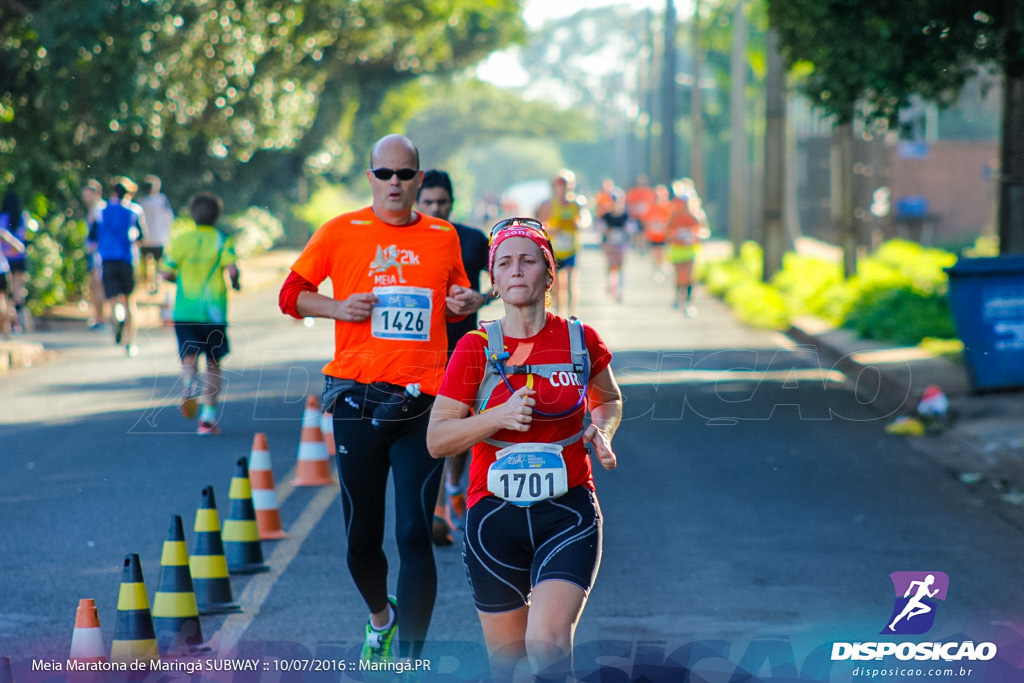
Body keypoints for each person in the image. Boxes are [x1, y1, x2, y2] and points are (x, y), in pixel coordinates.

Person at [277, 134, 480, 665]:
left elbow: (455, 304)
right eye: (384, 174)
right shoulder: (340, 232)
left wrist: (465, 301)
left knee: (415, 532)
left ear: (419, 179)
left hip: (425, 403)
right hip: (357, 400)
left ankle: (410, 661)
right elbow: (289, 294)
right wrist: (338, 307)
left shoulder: (443, 236)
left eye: (405, 174)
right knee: (361, 540)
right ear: (369, 177)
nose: (395, 183)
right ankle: (381, 618)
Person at [427, 217, 622, 682]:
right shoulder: (476, 347)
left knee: (548, 645)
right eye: (505, 263)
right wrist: (498, 416)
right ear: (492, 280)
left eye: (528, 261)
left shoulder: (580, 340)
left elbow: (608, 399)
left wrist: (602, 430)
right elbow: (437, 440)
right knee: (508, 664)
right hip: (494, 516)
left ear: (549, 273)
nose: (516, 271)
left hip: (567, 512)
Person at [415, 169, 491, 547]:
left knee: (459, 429)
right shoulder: (408, 242)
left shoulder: (474, 239)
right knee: (427, 430)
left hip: (465, 348)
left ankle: (456, 490)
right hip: (418, 352)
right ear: (417, 202)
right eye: (428, 202)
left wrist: (482, 298)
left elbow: (503, 278)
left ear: (452, 202)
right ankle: (434, 507)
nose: (435, 208)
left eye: (441, 202)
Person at [160, 192, 240, 435]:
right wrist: (236, 284)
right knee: (214, 364)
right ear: (217, 215)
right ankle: (207, 417)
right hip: (213, 312)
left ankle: (188, 385)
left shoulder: (181, 239)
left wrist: (177, 277)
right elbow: (233, 271)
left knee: (188, 355)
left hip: (185, 310)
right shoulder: (222, 239)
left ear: (192, 214)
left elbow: (165, 273)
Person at [94, 179, 147, 356]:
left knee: (113, 299)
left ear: (113, 193)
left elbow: (93, 237)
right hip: (127, 259)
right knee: (130, 300)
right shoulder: (134, 211)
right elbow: (142, 236)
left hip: (107, 259)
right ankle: (130, 343)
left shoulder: (101, 211)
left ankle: (118, 316)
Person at [536, 170, 590, 315]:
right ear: (554, 186)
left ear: (571, 186)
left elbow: (585, 220)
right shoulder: (548, 205)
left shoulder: (576, 203)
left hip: (572, 248)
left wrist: (579, 225)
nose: (562, 187)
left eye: (566, 184)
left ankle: (572, 315)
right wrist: (553, 230)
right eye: (559, 184)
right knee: (557, 285)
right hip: (555, 250)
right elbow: (540, 226)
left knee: (572, 282)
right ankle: (560, 314)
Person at [667, 178, 708, 316]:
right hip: (677, 249)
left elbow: (704, 231)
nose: (682, 205)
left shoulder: (695, 216)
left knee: (689, 275)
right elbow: (668, 231)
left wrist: (696, 236)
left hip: (690, 249)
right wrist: (675, 237)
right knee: (679, 276)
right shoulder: (674, 215)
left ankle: (689, 302)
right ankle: (678, 297)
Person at [138, 175, 175, 295]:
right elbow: (169, 218)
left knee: (146, 262)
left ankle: (149, 283)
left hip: (145, 238)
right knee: (159, 263)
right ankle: (157, 283)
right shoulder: (162, 200)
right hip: (159, 237)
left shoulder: (141, 201)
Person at [0, 192, 30, 333]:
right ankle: (19, 322)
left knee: (7, 295)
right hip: (20, 258)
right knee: (18, 293)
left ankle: (12, 322)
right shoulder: (23, 218)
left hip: (6, 260)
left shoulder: (2, 218)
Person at [598, 190, 633, 302]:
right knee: (610, 266)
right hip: (610, 245)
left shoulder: (626, 216)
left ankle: (619, 291)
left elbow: (631, 229)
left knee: (620, 267)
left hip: (621, 245)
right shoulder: (607, 216)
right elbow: (600, 229)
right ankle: (610, 284)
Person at [82, 179, 107, 329]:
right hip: (94, 253)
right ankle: (98, 318)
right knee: (94, 286)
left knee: (98, 286)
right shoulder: (93, 210)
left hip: (99, 254)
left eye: (88, 195)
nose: (86, 198)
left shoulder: (100, 210)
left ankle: (101, 319)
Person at [0, 220, 25, 339]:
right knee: (3, 306)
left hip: (2, 272)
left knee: (2, 306)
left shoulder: (1, 233)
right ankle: (15, 319)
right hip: (3, 271)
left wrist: (7, 240)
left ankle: (15, 317)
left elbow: (19, 248)